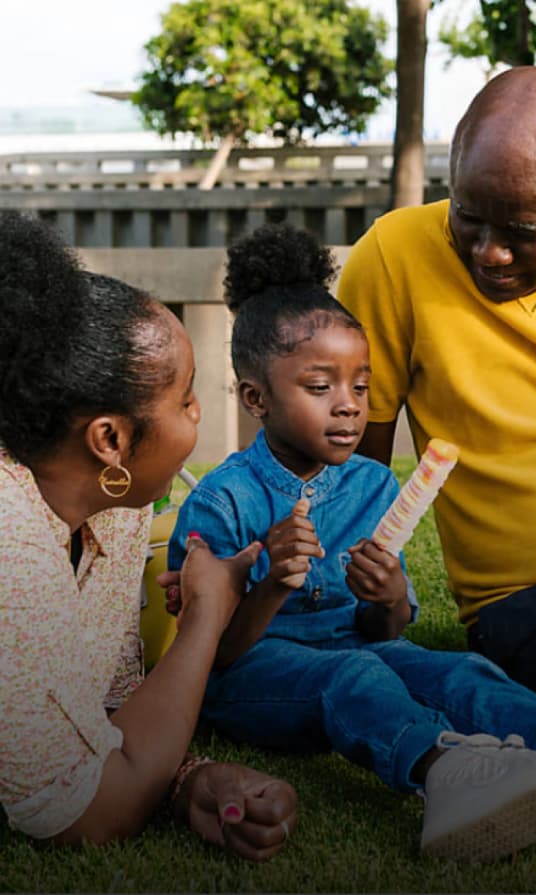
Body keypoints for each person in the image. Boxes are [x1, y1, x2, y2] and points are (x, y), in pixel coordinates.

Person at [169, 222, 536, 864]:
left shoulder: (370, 485)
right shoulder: (223, 500)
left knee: (454, 671)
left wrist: (387, 597)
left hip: (359, 649)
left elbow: (383, 630)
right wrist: (274, 582)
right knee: (355, 673)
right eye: (320, 388)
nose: (349, 406)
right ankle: (446, 773)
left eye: (361, 387)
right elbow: (213, 657)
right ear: (257, 398)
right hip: (251, 681)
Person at [337, 65, 536, 719]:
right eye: (468, 218)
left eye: (523, 232)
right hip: (532, 606)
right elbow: (348, 469)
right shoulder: (395, 256)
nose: (489, 253)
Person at [0, 211, 296, 859]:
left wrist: (189, 779)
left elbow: (99, 716)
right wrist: (206, 615)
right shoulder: (10, 546)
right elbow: (83, 815)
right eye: (185, 400)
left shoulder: (116, 499)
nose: (199, 414)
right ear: (110, 438)